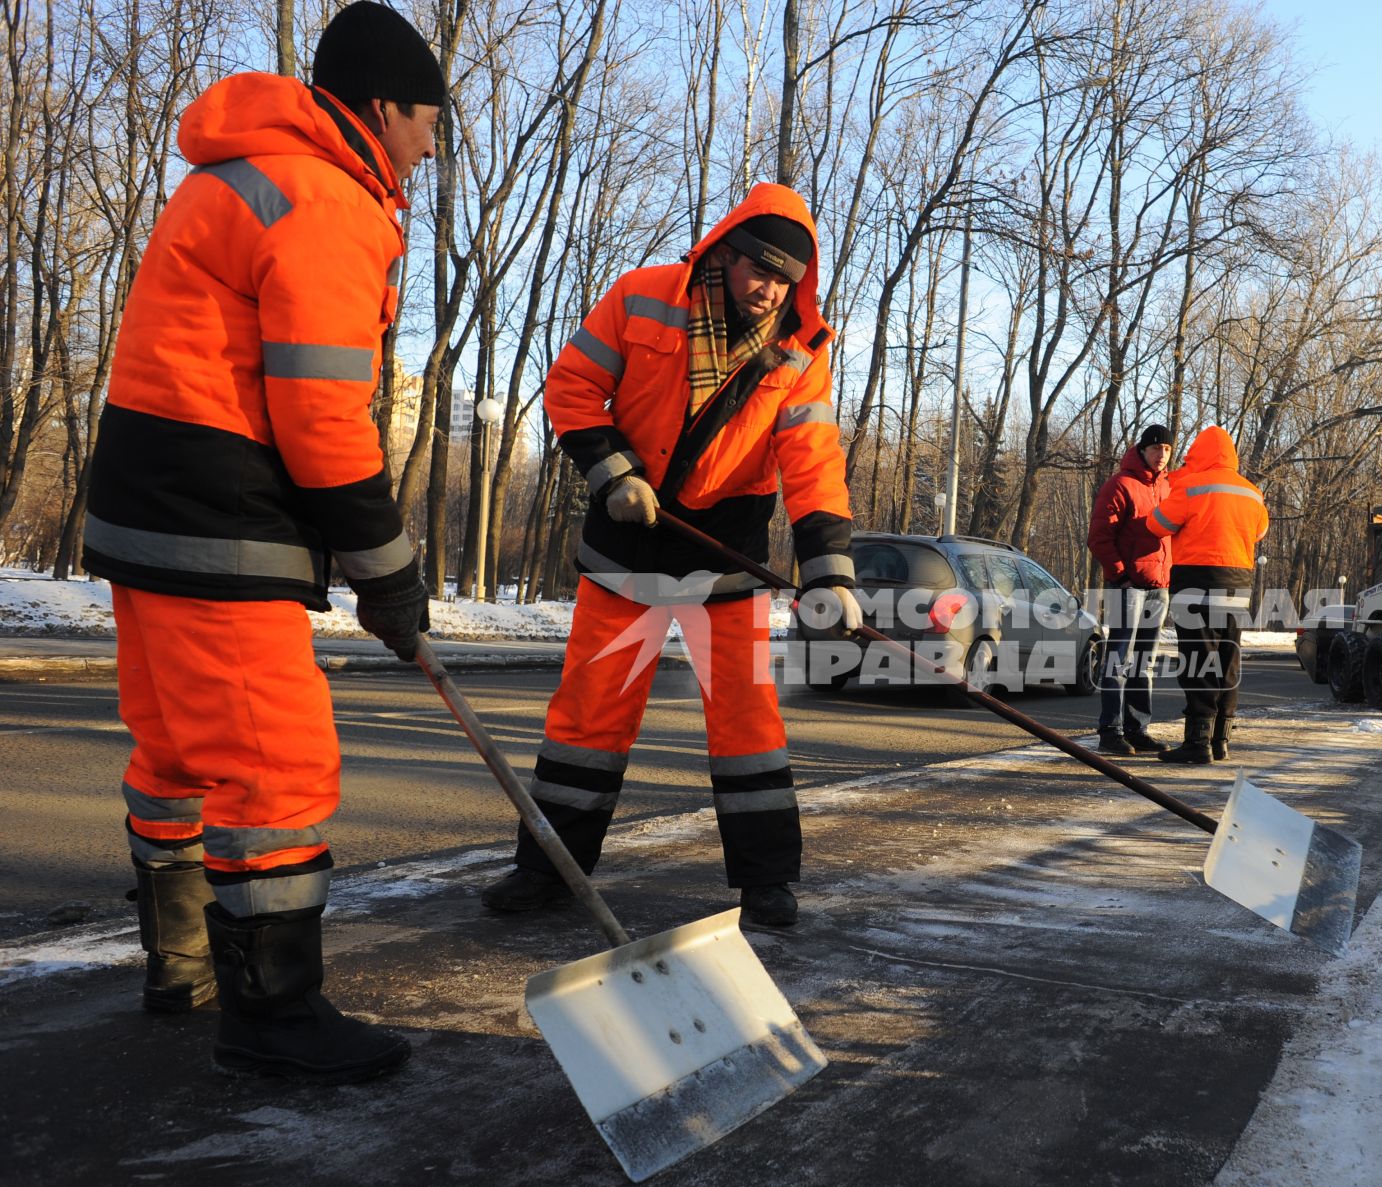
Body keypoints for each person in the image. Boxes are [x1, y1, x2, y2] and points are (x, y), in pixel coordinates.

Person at [81, 2, 444, 1082]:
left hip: (147, 511)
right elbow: (324, 414)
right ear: (382, 108)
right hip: (220, 514)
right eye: (428, 123)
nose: (429, 147)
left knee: (178, 751)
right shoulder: (328, 197)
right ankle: (274, 1016)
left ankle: (182, 963)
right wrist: (387, 568)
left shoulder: (239, 171)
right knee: (275, 765)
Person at [478, 183, 858, 930]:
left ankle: (768, 880)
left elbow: (813, 461)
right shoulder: (642, 296)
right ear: (726, 249)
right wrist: (613, 471)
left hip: (728, 558)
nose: (768, 288)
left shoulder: (800, 354)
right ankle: (548, 869)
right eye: (759, 268)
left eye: (785, 279)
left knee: (749, 721)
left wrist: (830, 572)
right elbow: (573, 385)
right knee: (589, 717)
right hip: (626, 545)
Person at [1147, 426, 1269, 764]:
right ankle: (1220, 741)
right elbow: (1260, 531)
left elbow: (1157, 525)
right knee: (1228, 657)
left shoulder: (1191, 486)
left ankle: (1197, 743)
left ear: (1198, 453)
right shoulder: (1252, 492)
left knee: (1200, 657)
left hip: (1196, 579)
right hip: (1239, 581)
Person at [1087, 424, 1174, 755]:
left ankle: (1137, 729)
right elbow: (1099, 537)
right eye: (1156, 449)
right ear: (1142, 450)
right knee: (1119, 659)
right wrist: (1121, 576)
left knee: (1144, 661)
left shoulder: (1168, 487)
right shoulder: (1120, 485)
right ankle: (1111, 731)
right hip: (1128, 586)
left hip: (1158, 587)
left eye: (1167, 450)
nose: (1161, 455)